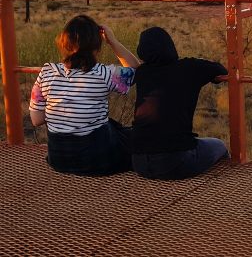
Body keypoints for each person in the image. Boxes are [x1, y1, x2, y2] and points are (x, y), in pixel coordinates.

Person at [29, 15, 139, 176]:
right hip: (96, 160)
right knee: (130, 136)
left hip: (58, 159)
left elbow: (36, 120)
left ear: (64, 43)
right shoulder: (105, 73)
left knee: (112, 127)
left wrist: (64, 108)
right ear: (96, 46)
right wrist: (113, 41)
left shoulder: (47, 72)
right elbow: (135, 69)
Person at [131, 26, 229, 179]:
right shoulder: (190, 68)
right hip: (174, 161)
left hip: (139, 163)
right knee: (219, 146)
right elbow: (221, 70)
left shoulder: (142, 73)